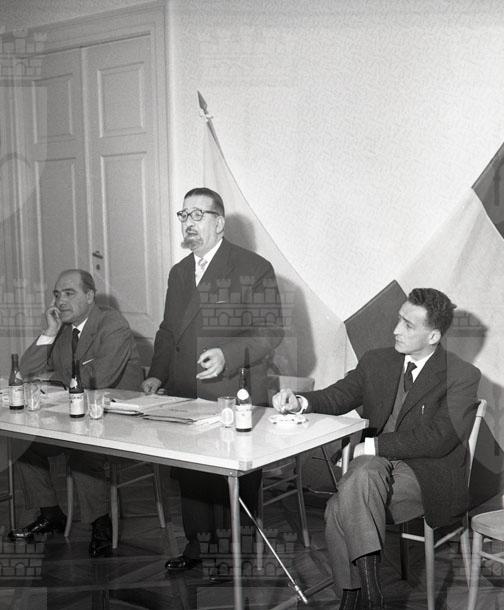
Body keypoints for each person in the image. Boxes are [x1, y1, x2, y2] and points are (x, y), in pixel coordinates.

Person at [273, 288, 481, 610]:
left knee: (338, 506)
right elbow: (338, 396)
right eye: (399, 320)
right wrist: (299, 401)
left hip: (424, 474)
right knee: (363, 474)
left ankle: (353, 600)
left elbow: (440, 437)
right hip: (370, 470)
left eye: (408, 325)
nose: (396, 330)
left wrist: (373, 445)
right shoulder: (377, 361)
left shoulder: (461, 375)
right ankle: (372, 597)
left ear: (434, 336)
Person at [142, 187, 283, 573]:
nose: (188, 223)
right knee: (192, 475)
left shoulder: (253, 267)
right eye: (183, 215)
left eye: (197, 215)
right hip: (186, 393)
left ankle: (237, 556)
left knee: (233, 479)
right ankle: (198, 548)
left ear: (219, 223)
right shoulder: (179, 272)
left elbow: (270, 332)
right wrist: (156, 374)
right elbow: (168, 330)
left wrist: (228, 355)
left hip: (234, 393)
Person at [8, 269, 142, 558]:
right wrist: (49, 331)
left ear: (90, 296)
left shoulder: (112, 323)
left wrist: (54, 380)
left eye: (69, 293)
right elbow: (25, 371)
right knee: (22, 441)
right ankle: (51, 513)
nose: (61, 301)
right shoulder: (63, 328)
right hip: (75, 415)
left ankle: (100, 523)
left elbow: (99, 378)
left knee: (83, 449)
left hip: (117, 418)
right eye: (57, 294)